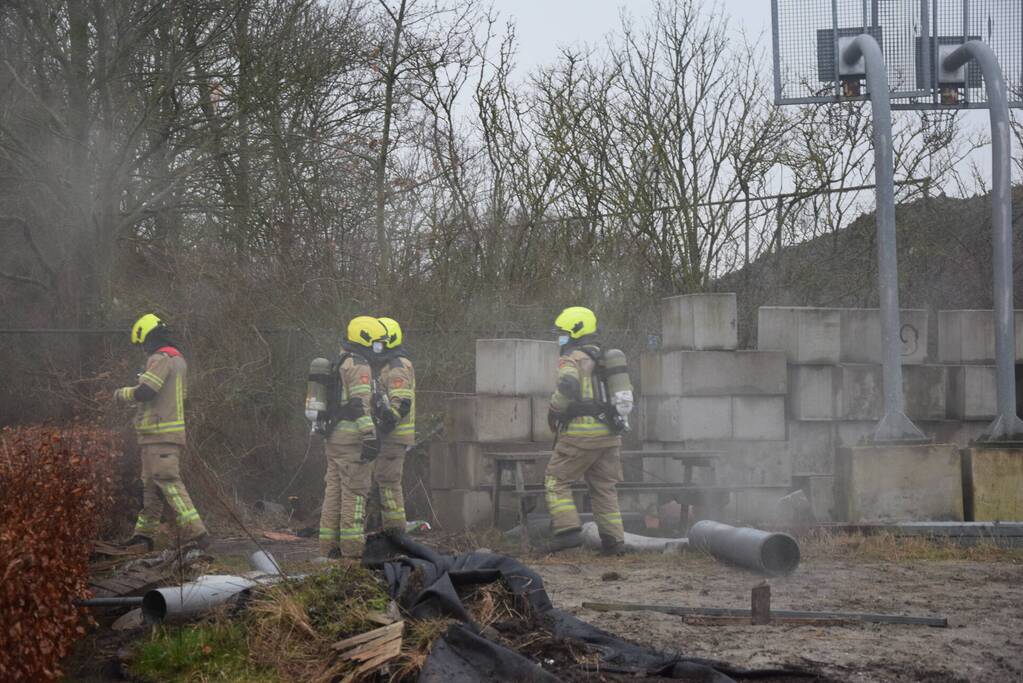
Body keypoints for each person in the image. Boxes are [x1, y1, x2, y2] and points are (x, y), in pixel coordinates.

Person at [115, 313, 209, 551]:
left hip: (161, 435)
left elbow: (146, 391)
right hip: (154, 436)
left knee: (168, 482)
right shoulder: (177, 359)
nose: (144, 350)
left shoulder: (162, 358)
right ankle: (144, 535)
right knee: (149, 485)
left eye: (143, 344)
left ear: (148, 338)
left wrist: (122, 393)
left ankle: (196, 534)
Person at [543, 306, 629, 555]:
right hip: (610, 436)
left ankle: (568, 532)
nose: (560, 337)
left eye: (563, 332)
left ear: (575, 331)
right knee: (604, 487)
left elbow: (568, 383)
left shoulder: (572, 358)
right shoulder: (605, 358)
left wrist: (554, 409)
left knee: (555, 480)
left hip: (580, 436)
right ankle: (614, 542)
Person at [317, 316, 388, 560]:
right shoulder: (359, 365)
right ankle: (352, 553)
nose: (380, 348)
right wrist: (370, 436)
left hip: (335, 439)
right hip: (352, 443)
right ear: (365, 339)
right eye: (377, 343)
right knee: (355, 495)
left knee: (333, 493)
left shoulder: (342, 361)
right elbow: (359, 405)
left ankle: (328, 549)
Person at [372, 316, 415, 532]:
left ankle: (396, 532)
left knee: (388, 483)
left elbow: (401, 403)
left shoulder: (397, 367)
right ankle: (391, 530)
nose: (375, 346)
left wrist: (386, 422)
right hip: (390, 437)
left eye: (379, 341)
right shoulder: (388, 365)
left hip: (394, 437)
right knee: (383, 480)